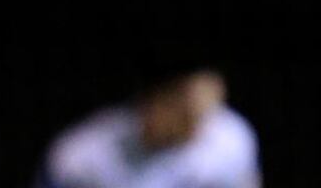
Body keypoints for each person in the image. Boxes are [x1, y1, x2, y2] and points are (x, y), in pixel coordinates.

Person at [36, 70, 261, 188]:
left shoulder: (232, 137)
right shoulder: (81, 156)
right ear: (150, 103)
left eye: (203, 115)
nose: (196, 128)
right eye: (184, 113)